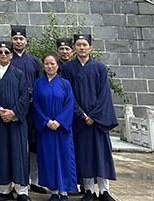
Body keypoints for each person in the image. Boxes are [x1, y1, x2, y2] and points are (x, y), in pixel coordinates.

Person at [60, 35, 118, 201]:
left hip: (98, 121)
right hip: (80, 120)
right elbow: (68, 95)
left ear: (90, 48)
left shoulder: (100, 68)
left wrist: (94, 115)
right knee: (84, 155)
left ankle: (104, 190)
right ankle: (89, 190)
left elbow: (104, 94)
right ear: (74, 49)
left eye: (84, 45)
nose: (82, 47)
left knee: (101, 154)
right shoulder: (68, 68)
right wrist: (81, 114)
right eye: (78, 45)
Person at [0, 41, 30, 201]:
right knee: (1, 153)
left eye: (6, 52)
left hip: (16, 121)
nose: (3, 55)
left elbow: (24, 96)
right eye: (0, 52)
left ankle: (21, 190)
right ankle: (4, 189)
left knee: (18, 153)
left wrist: (13, 112)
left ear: (11, 55)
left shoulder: (19, 74)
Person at [33, 53, 77, 201]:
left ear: (58, 66)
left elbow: (69, 104)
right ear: (43, 66)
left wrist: (59, 121)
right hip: (46, 129)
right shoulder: (38, 83)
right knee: (49, 158)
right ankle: (53, 191)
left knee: (65, 158)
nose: (50, 66)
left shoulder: (65, 84)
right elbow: (36, 104)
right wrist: (46, 121)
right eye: (47, 64)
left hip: (62, 129)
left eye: (52, 63)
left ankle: (64, 192)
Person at [9, 27, 43, 194]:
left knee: (34, 144)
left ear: (26, 40)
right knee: (17, 145)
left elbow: (40, 84)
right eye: (15, 39)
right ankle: (16, 180)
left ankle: (34, 180)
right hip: (15, 110)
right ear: (11, 40)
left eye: (21, 39)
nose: (18, 41)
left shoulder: (34, 61)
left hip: (32, 109)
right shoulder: (8, 59)